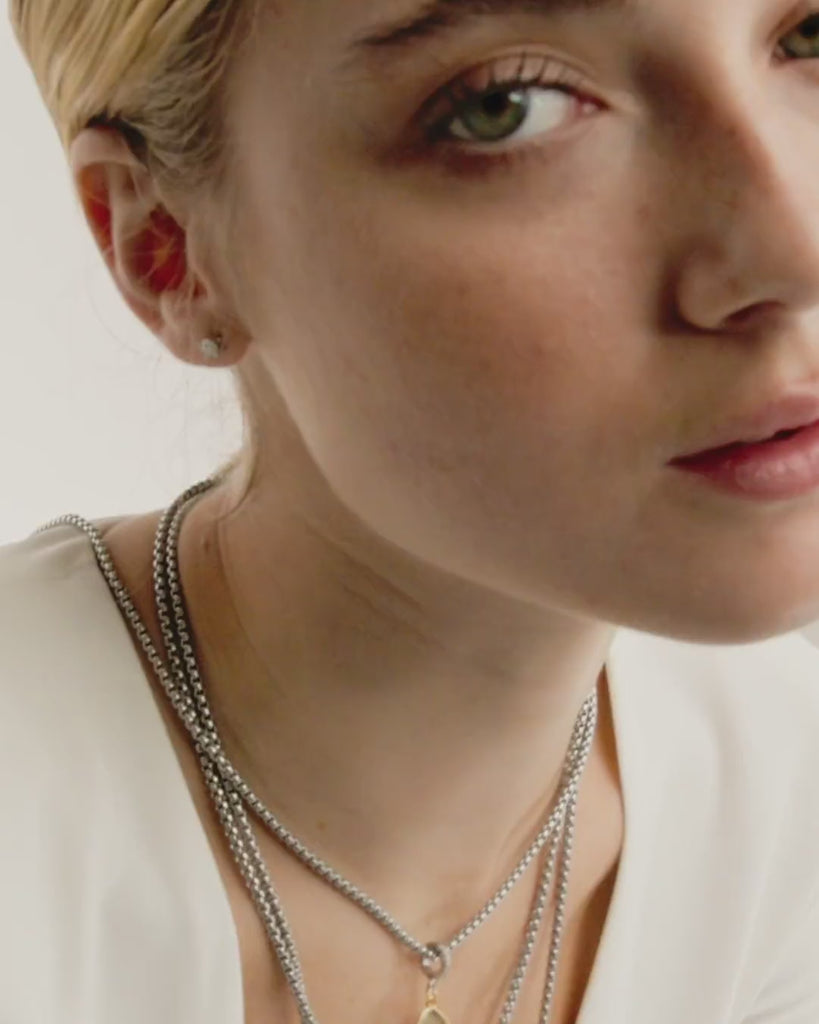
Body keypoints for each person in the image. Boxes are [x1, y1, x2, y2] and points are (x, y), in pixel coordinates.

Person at [3, 0, 819, 1020]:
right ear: (164, 243)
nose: (795, 252)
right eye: (505, 106)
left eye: (809, 38)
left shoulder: (778, 801)